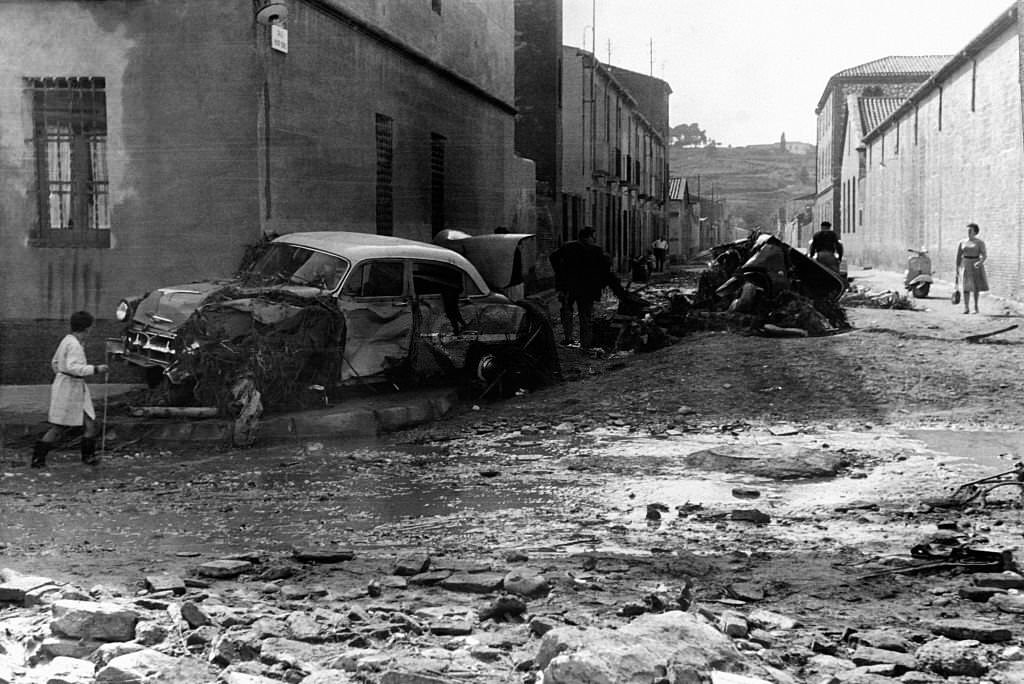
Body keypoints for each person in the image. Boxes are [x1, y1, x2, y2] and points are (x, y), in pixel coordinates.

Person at [31, 311, 109, 468]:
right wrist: (96, 369)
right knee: (59, 426)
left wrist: (61, 374)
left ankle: (88, 457)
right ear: (87, 328)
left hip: (71, 385)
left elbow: (55, 362)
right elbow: (74, 367)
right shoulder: (74, 345)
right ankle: (38, 458)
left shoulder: (67, 340)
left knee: (90, 422)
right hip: (69, 388)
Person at [549, 227, 624, 352]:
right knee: (584, 315)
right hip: (586, 288)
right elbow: (606, 272)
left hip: (569, 285)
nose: (594, 239)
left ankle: (569, 338)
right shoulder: (596, 250)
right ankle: (585, 342)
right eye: (593, 236)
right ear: (587, 237)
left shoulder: (568, 247)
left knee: (568, 311)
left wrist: (560, 272)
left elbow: (553, 257)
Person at [956, 222, 988, 314]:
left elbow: (984, 255)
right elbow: (958, 256)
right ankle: (966, 307)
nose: (968, 232)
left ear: (975, 232)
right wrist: (957, 268)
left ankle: (975, 307)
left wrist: (980, 262)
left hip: (975, 265)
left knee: (975, 287)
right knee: (965, 286)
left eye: (970, 230)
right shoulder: (962, 242)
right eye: (968, 230)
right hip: (965, 264)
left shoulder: (980, 243)